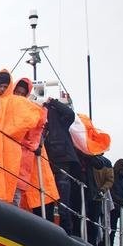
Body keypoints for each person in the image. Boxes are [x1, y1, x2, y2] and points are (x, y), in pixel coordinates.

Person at [0, 70, 42, 202]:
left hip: (9, 153)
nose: (2, 89)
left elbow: (38, 116)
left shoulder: (17, 102)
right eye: (0, 85)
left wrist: (13, 133)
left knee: (8, 184)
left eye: (5, 86)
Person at [13, 78, 59, 215]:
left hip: (36, 169)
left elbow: (32, 135)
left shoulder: (33, 113)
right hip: (20, 169)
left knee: (43, 206)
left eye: (22, 94)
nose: (19, 97)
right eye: (17, 93)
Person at [43, 95, 81, 234]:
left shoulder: (60, 119)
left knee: (63, 198)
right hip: (45, 162)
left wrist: (53, 102)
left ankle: (67, 232)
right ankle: (48, 230)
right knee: (47, 198)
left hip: (61, 160)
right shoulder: (37, 114)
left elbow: (70, 114)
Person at [110, 158, 123, 245]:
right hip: (111, 206)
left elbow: (122, 192)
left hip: (118, 206)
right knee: (109, 228)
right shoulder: (112, 175)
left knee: (113, 228)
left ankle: (110, 245)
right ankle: (106, 245)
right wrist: (122, 202)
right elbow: (111, 192)